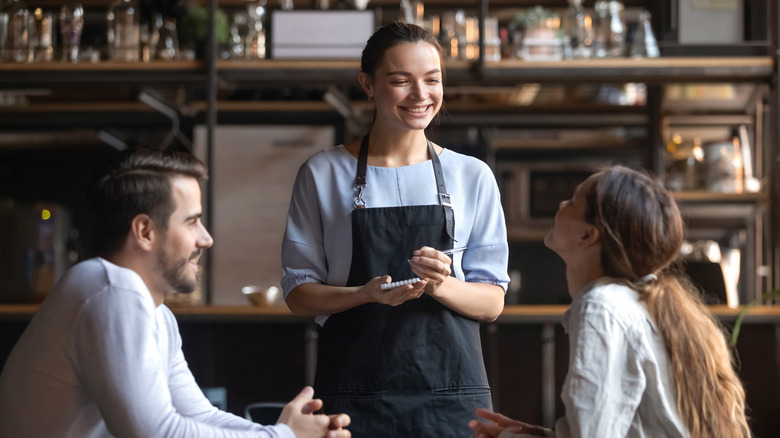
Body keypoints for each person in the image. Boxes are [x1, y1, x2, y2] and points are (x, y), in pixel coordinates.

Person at [0, 147, 350, 438]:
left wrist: (289, 432)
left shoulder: (153, 311)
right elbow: (157, 433)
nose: (206, 238)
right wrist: (282, 436)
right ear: (145, 231)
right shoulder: (111, 289)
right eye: (191, 221)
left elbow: (199, 415)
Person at [281, 21, 510, 437]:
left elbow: (492, 300)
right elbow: (298, 293)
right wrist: (364, 294)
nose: (421, 95)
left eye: (432, 80)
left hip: (451, 396)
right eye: (401, 81)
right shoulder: (322, 172)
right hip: (354, 393)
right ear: (368, 84)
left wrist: (442, 285)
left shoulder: (472, 176)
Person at [469, 165, 751, 438]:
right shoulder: (629, 301)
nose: (561, 203)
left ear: (588, 235)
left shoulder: (601, 308)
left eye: (573, 201)